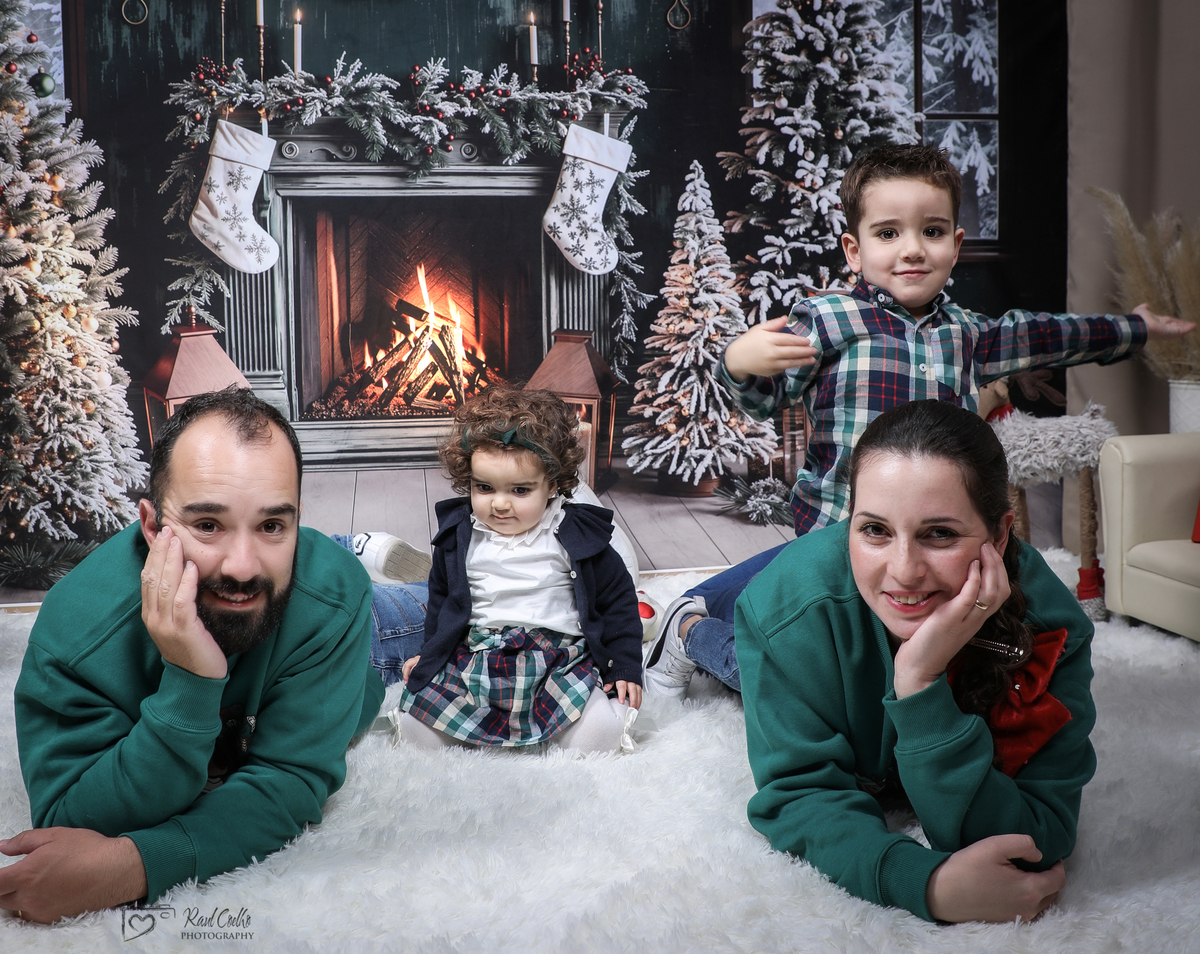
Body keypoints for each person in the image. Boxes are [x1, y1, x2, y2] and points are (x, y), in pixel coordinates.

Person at [644, 142, 1195, 700]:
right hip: (842, 536)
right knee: (813, 684)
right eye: (888, 233)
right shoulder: (830, 320)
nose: (911, 249)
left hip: (937, 538)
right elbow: (763, 400)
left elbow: (1049, 335)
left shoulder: (967, 333)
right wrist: (739, 362)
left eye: (931, 231)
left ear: (955, 245)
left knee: (986, 650)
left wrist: (1136, 328)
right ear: (854, 250)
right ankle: (690, 632)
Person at [1, 388, 385, 923]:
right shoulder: (76, 631)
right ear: (152, 526)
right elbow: (72, 820)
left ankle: (377, 554)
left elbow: (290, 781)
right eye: (207, 525)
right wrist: (191, 679)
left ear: (298, 521)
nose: (243, 567)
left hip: (374, 642)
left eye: (273, 526)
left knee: (403, 654)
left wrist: (133, 866)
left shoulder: (335, 596)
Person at [738, 400, 1096, 923]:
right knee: (724, 654)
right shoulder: (784, 611)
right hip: (784, 605)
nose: (904, 571)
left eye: (940, 533)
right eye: (874, 529)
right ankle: (688, 627)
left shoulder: (1052, 628)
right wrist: (923, 883)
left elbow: (1034, 838)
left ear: (1000, 535)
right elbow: (799, 794)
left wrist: (920, 682)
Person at [386, 385, 643, 753]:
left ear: (552, 485)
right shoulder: (460, 535)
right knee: (416, 733)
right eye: (485, 488)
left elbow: (618, 601)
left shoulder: (572, 533)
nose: (500, 504)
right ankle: (476, 727)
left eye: (520, 491)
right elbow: (441, 602)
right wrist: (429, 654)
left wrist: (624, 667)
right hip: (476, 659)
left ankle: (581, 721)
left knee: (599, 739)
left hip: (557, 662)